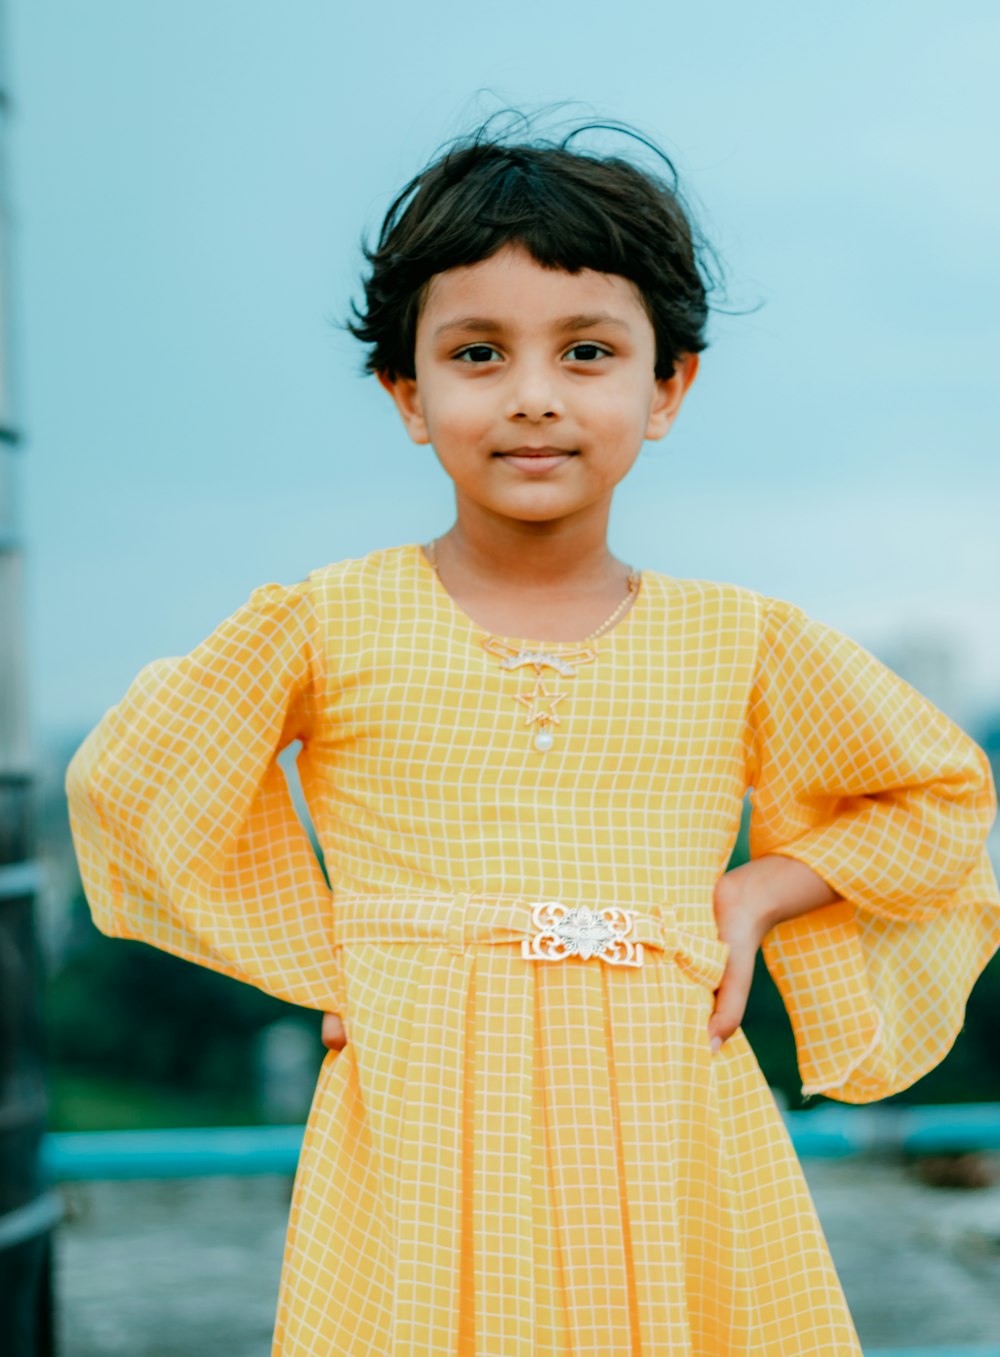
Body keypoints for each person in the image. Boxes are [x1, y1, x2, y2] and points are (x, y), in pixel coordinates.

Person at [65, 110, 1000, 1356]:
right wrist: (331, 958)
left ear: (668, 386)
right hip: (422, 1126)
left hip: (670, 1121)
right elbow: (134, 780)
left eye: (588, 351)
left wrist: (761, 891)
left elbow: (942, 795)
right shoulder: (325, 620)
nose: (533, 398)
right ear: (407, 391)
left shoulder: (745, 640)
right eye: (477, 353)